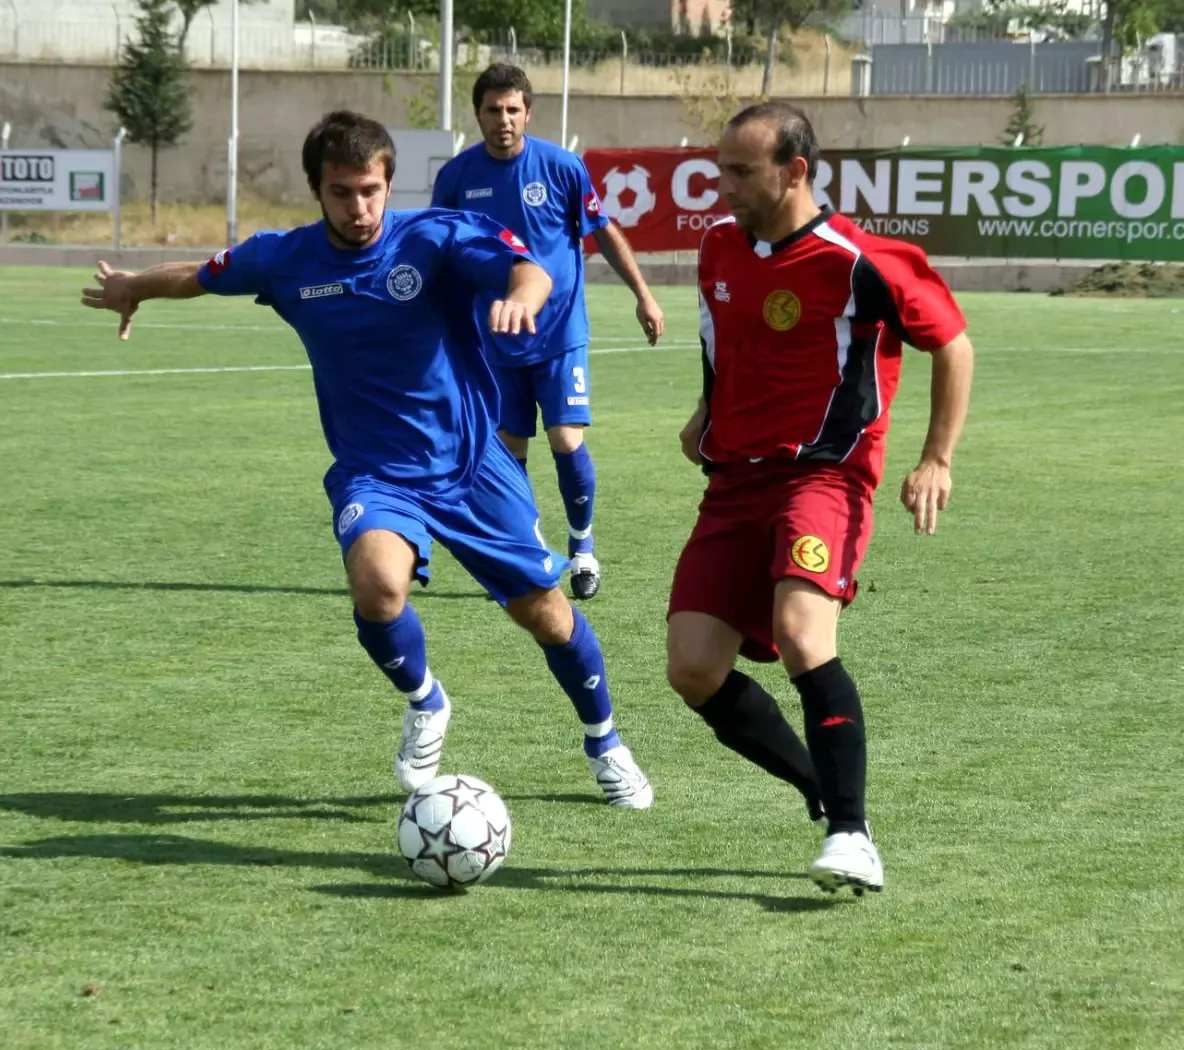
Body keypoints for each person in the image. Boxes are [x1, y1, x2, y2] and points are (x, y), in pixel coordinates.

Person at [80, 110, 653, 810]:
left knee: (549, 618)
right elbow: (201, 275)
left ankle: (606, 743)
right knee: (378, 584)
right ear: (316, 190)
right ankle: (426, 699)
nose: (359, 208)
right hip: (375, 473)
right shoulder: (284, 258)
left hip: (472, 463)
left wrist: (518, 300)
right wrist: (134, 284)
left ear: (389, 183)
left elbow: (526, 269)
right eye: (342, 192)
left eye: (372, 190)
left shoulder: (435, 237)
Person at [667, 102, 974, 893]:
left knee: (803, 634)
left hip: (824, 474)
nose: (721, 184)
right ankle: (820, 785)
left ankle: (852, 831)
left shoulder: (860, 258)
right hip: (733, 481)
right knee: (693, 670)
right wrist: (706, 414)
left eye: (741, 171)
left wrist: (936, 457)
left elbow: (954, 343)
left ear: (795, 170)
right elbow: (718, 342)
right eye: (720, 167)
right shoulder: (716, 249)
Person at [430, 62, 666, 601]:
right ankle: (525, 549)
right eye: (493, 109)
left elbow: (601, 231)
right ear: (478, 114)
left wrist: (644, 295)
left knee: (564, 438)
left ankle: (582, 547)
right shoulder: (457, 178)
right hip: (492, 340)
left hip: (559, 334)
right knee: (510, 451)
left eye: (513, 109)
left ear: (528, 113)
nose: (504, 119)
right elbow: (438, 250)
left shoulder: (561, 167)